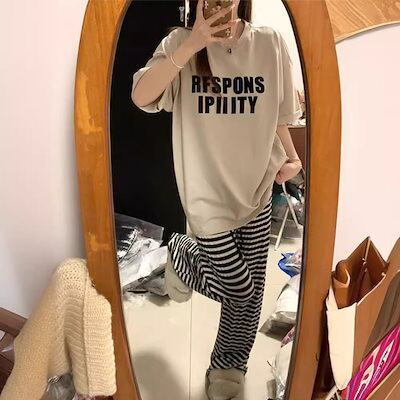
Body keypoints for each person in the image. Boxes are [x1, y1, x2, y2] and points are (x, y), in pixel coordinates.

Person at [131, 0, 302, 398]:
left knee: (250, 299)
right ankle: (182, 253)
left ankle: (229, 368)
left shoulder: (270, 43)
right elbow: (141, 96)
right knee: (240, 289)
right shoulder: (179, 43)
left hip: (257, 188)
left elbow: (278, 114)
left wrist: (292, 158)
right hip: (206, 196)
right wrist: (191, 45)